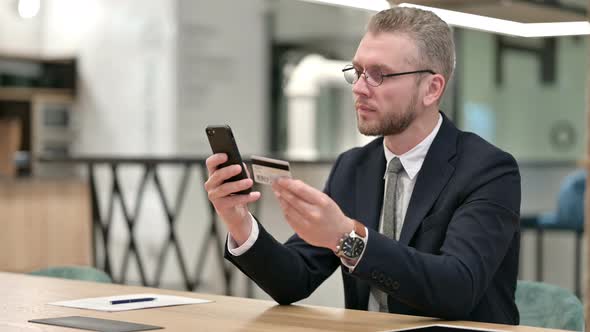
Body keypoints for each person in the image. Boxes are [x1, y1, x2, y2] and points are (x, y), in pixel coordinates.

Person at [205, 7, 521, 325]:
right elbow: (295, 280)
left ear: (432, 89)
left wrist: (346, 236)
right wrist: (239, 222)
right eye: (357, 72)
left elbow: (456, 289)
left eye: (378, 74)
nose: (358, 88)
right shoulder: (353, 167)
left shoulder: (489, 171)